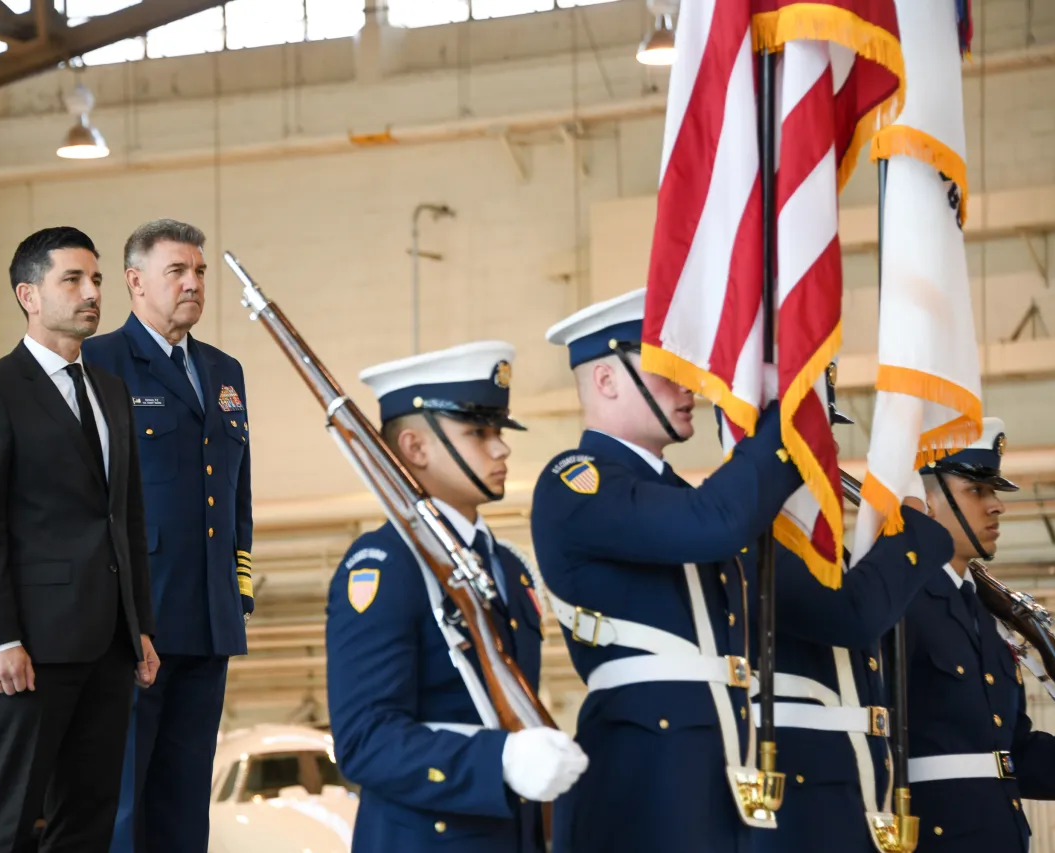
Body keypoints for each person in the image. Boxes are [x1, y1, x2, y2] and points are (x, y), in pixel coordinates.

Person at [529, 289, 807, 853]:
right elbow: (714, 523)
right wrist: (789, 413)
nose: (692, 388)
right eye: (668, 371)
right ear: (606, 381)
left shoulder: (677, 495)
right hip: (647, 772)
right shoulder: (575, 480)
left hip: (724, 759)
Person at [326, 341, 588, 853]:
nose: (501, 448)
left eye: (499, 432)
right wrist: (500, 760)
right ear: (415, 448)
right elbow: (365, 740)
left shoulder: (509, 567)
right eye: (478, 432)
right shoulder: (386, 565)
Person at [0, 226, 159, 853]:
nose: (92, 291)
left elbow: (128, 516)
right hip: (27, 651)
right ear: (28, 295)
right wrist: (0, 639)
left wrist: (140, 625)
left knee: (88, 823)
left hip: (110, 647)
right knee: (5, 822)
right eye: (72, 279)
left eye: (95, 279)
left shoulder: (111, 393)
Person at [82, 219, 254, 853]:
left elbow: (237, 494)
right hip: (137, 623)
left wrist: (237, 593)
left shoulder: (223, 369)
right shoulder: (98, 362)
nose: (192, 283)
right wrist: (117, 613)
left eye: (199, 272)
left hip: (209, 618)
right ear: (135, 281)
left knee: (186, 803)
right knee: (126, 804)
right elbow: (87, 500)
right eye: (176, 271)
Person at [750, 368, 955, 853]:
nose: (830, 452)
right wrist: (910, 525)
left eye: (829, 434)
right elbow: (852, 616)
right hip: (796, 813)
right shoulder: (754, 542)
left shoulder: (833, 555)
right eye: (814, 435)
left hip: (859, 797)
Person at [900, 417, 1055, 851]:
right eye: (976, 491)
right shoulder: (899, 604)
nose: (996, 506)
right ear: (926, 501)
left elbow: (1014, 754)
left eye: (993, 492)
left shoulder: (983, 617)